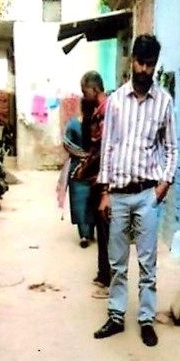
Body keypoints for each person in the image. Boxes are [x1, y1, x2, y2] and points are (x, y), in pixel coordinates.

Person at [94, 34, 178, 347]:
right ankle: (116, 315)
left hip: (146, 195)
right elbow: (108, 147)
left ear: (155, 65)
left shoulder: (164, 102)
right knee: (117, 262)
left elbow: (172, 148)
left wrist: (164, 183)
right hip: (117, 194)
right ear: (132, 61)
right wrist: (105, 192)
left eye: (150, 64)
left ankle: (146, 319)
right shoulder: (116, 101)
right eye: (140, 63)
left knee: (147, 262)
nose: (144, 70)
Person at [76, 71, 109, 296]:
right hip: (97, 178)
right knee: (100, 226)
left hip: (104, 181)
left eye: (85, 91)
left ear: (94, 89)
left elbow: (104, 149)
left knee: (106, 230)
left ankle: (108, 277)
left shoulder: (106, 112)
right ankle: (103, 272)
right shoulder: (97, 112)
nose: (83, 95)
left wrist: (87, 166)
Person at [62, 100, 94, 245]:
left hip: (90, 167)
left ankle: (88, 232)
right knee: (80, 201)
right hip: (79, 168)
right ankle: (85, 234)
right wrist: (84, 155)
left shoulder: (96, 125)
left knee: (89, 200)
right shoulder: (74, 125)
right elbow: (67, 144)